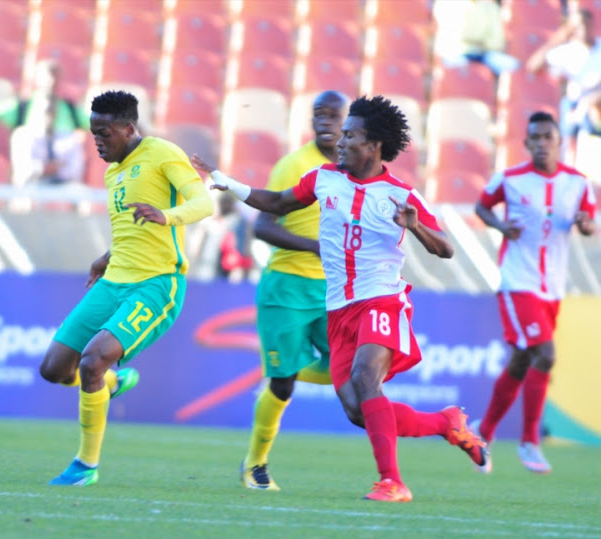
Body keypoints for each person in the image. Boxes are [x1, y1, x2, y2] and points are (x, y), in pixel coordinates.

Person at [192, 95, 488, 502]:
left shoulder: (400, 194)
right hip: (339, 310)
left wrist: (415, 227)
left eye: (351, 135)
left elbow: (446, 249)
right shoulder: (323, 178)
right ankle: (446, 424)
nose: (342, 141)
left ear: (375, 145)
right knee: (356, 409)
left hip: (381, 301)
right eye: (343, 133)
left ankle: (392, 482)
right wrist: (226, 181)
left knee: (367, 380)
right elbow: (277, 203)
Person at [39, 90, 214, 486]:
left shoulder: (162, 153)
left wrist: (167, 216)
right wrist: (106, 256)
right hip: (114, 280)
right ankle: (114, 383)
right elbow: (129, 229)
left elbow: (203, 204)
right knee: (53, 369)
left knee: (91, 362)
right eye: (93, 133)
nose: (98, 141)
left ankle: (85, 466)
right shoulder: (113, 171)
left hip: (156, 284)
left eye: (105, 133)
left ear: (129, 128)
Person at [472, 111, 596, 475]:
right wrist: (499, 225)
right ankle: (530, 441)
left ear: (560, 143)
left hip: (552, 287)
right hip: (517, 283)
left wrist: (586, 225)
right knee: (545, 353)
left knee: (522, 360)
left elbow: (588, 222)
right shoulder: (510, 179)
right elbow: (482, 205)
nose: (542, 144)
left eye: (548, 137)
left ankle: (483, 432)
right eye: (535, 138)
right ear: (526, 143)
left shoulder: (578, 183)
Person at [240, 90, 346, 491]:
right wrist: (315, 246)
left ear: (348, 123)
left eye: (334, 115)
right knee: (283, 385)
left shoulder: (357, 171)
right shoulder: (294, 165)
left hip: (335, 291)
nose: (326, 122)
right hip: (287, 286)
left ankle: (282, 364)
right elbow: (262, 226)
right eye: (319, 114)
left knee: (349, 368)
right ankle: (255, 465)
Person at [0, 59, 86, 186]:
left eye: (54, 75)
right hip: (31, 187)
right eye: (46, 75)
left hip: (62, 188)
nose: (50, 80)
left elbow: (73, 169)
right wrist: (43, 169)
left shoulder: (70, 131)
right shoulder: (23, 127)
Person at [526, 8, 601, 162]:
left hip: (598, 104)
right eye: (578, 26)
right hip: (576, 104)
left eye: (585, 25)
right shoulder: (569, 51)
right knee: (566, 134)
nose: (583, 30)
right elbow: (534, 65)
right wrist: (560, 36)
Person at [435, 0, 519, 76]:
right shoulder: (446, 3)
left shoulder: (491, 7)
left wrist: (472, 41)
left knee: (513, 67)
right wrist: (481, 39)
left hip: (485, 54)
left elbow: (497, 41)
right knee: (457, 71)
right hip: (456, 53)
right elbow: (457, 33)